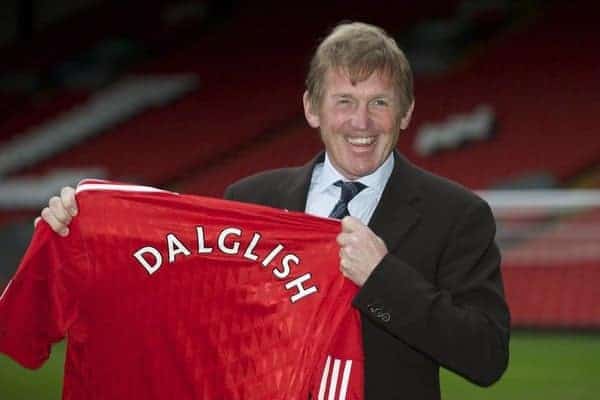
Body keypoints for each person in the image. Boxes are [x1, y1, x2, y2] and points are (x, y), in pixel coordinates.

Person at [37, 22, 510, 399]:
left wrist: (383, 276)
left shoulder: (457, 215)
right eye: (344, 101)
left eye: (379, 103)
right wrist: (83, 235)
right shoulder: (250, 200)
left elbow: (486, 357)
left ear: (405, 113)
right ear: (312, 108)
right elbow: (182, 309)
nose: (361, 123)